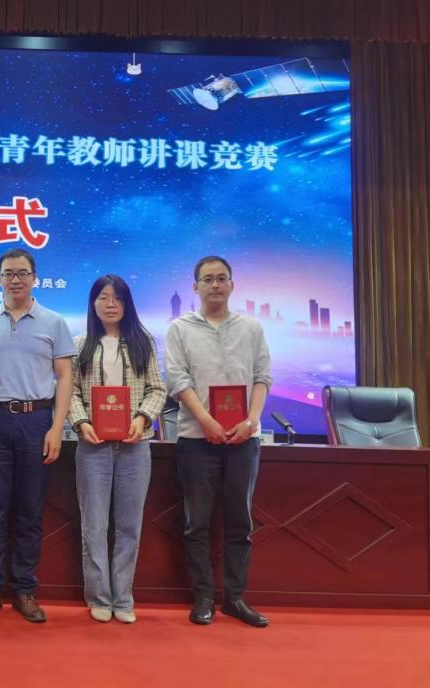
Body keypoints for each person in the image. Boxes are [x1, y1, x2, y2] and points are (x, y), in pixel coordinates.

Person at [165, 255, 272, 628]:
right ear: (195, 286)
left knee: (240, 522)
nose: (215, 285)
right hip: (197, 440)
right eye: (208, 279)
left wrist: (252, 420)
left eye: (221, 278)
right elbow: (178, 381)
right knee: (197, 523)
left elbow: (262, 377)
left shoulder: (251, 327)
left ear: (232, 285)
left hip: (244, 439)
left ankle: (235, 598)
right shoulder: (179, 328)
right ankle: (203, 597)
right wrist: (207, 421)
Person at [0, 248, 75, 623]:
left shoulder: (54, 322)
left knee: (30, 511)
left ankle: (25, 590)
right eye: (8, 273)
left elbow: (65, 376)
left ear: (34, 278)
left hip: (37, 421)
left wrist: (57, 428)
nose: (15, 279)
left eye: (22, 273)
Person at [68, 274, 166, 624]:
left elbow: (158, 389)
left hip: (134, 447)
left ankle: (123, 598)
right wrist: (81, 422)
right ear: (93, 303)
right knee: (94, 525)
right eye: (103, 297)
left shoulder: (143, 341)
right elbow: (70, 392)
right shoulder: (80, 344)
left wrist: (142, 418)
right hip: (92, 446)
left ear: (127, 304)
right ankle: (99, 596)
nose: (110, 304)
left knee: (129, 525)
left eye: (117, 298)